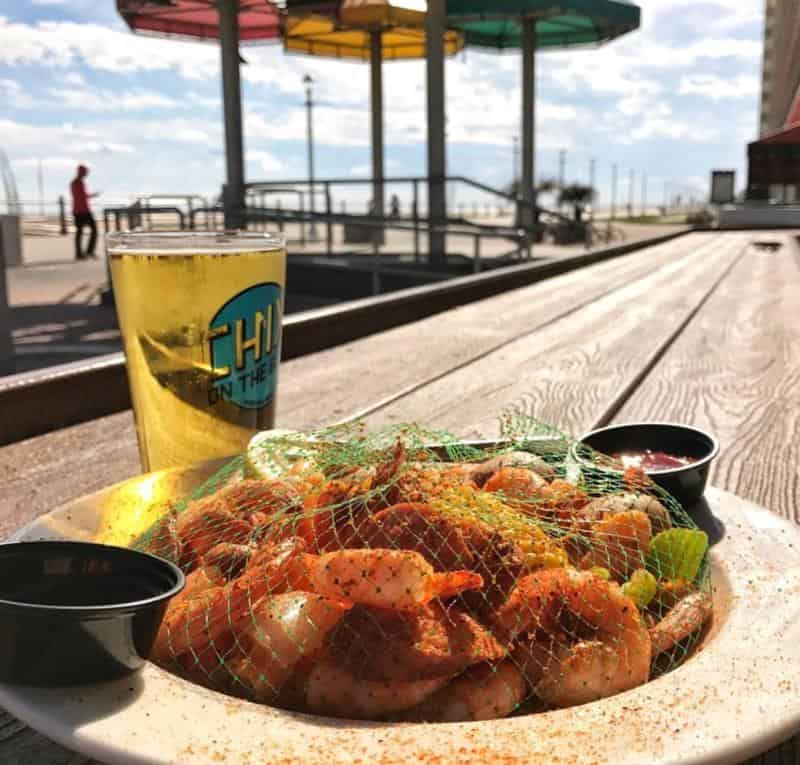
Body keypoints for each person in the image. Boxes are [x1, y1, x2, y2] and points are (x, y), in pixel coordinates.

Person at [70, 164, 99, 260]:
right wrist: (92, 195)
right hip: (82, 211)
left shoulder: (76, 182)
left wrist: (90, 195)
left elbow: (82, 196)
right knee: (92, 230)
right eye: (85, 172)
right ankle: (85, 252)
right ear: (81, 172)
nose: (86, 174)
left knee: (81, 232)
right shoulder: (77, 183)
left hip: (80, 210)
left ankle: (83, 253)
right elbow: (82, 196)